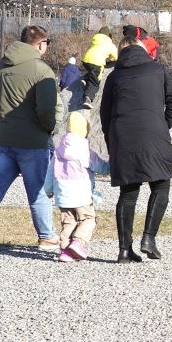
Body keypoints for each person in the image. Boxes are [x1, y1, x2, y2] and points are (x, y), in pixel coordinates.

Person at [0, 27, 61, 255]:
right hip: (33, 141)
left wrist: (2, 120)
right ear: (40, 44)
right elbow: (48, 109)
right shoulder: (42, 70)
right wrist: (48, 129)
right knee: (37, 190)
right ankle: (47, 237)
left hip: (4, 139)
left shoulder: (0, 66)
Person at [99, 37, 172, 263]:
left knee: (127, 194)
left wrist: (112, 139)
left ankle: (124, 250)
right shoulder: (159, 70)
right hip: (154, 133)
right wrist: (161, 125)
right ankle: (149, 238)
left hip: (122, 135)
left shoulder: (114, 76)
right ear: (144, 50)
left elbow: (104, 113)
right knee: (161, 184)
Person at [51, 111, 108, 262]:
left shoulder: (58, 151)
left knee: (68, 221)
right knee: (88, 219)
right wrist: (111, 166)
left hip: (62, 193)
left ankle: (65, 250)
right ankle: (78, 242)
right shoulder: (85, 150)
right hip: (80, 193)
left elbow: (50, 173)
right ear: (85, 130)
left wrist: (48, 190)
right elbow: (100, 167)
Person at [80, 31, 117, 109]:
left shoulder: (96, 40)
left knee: (92, 72)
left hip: (86, 60)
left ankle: (85, 78)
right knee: (95, 82)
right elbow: (115, 57)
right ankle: (87, 99)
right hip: (96, 62)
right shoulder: (110, 44)